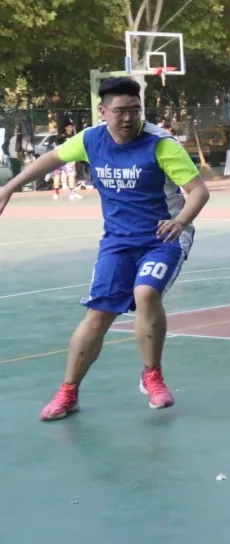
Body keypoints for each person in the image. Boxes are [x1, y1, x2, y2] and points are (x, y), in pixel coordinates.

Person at [0, 77, 210, 420]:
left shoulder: (161, 144)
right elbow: (50, 159)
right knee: (98, 314)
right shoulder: (90, 139)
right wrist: (9, 187)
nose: (128, 118)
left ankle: (152, 376)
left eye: (135, 110)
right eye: (120, 111)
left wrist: (181, 221)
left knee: (145, 292)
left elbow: (199, 191)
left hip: (163, 237)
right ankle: (68, 392)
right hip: (117, 241)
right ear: (103, 112)